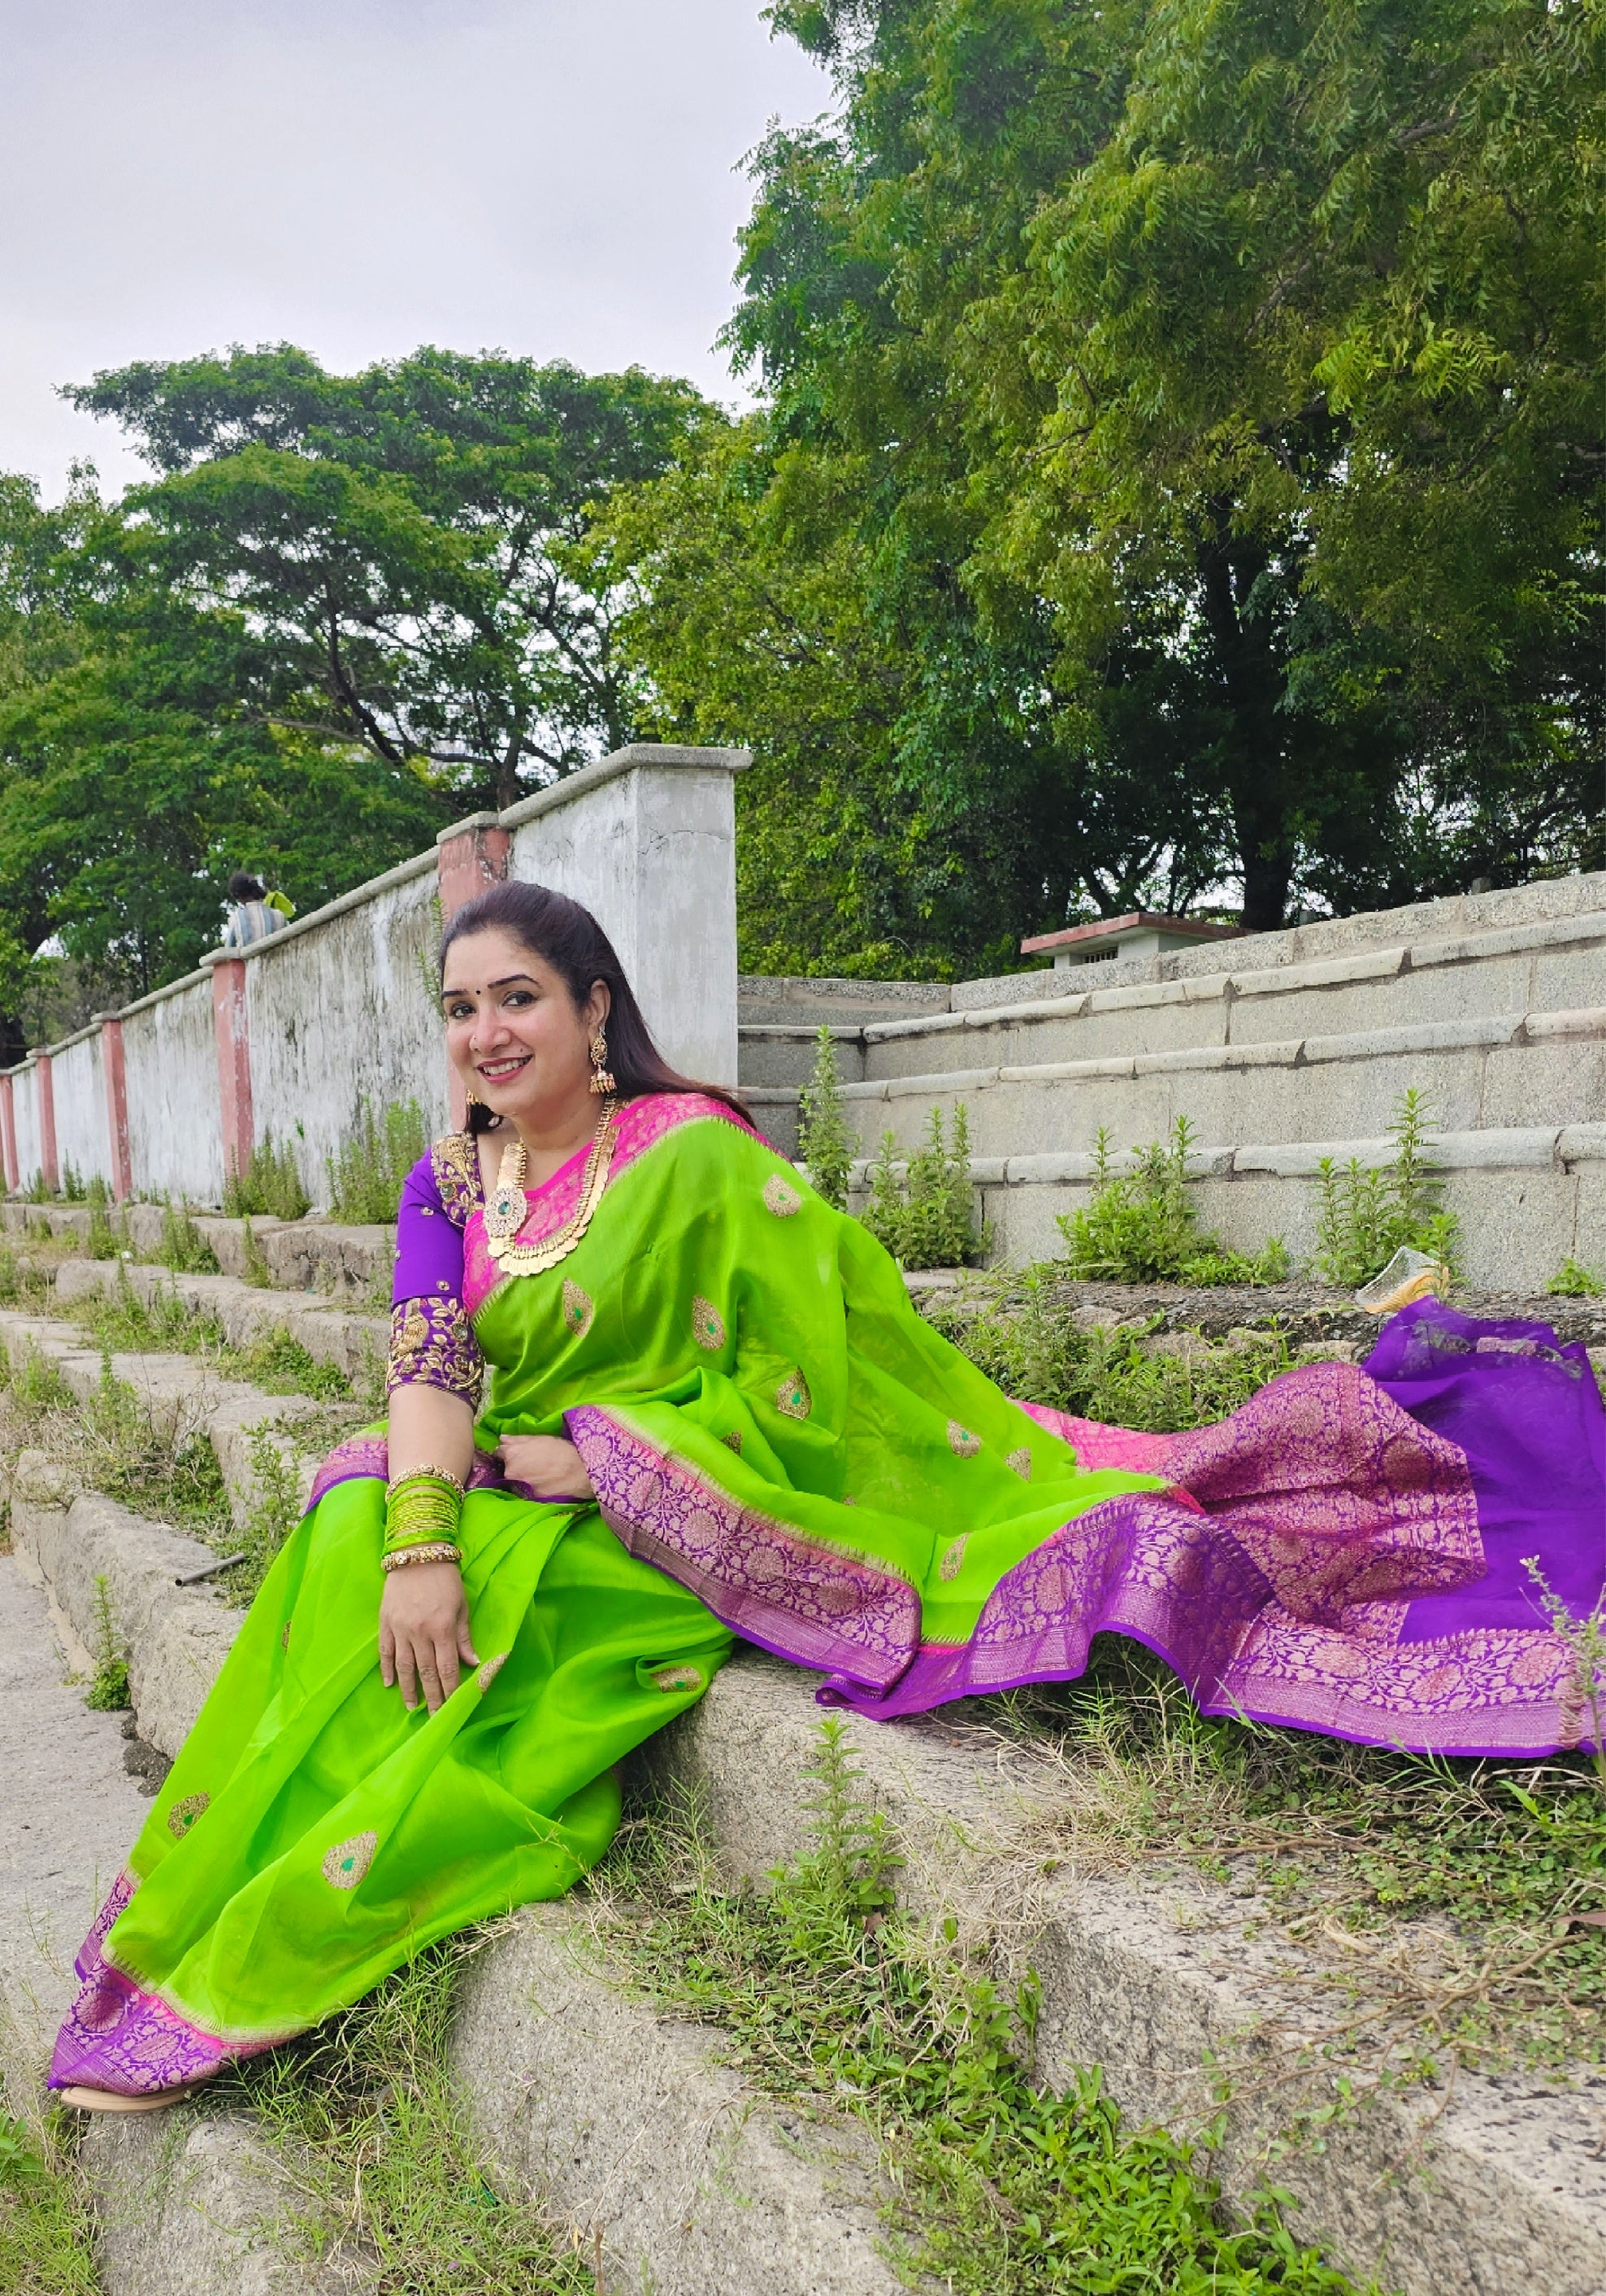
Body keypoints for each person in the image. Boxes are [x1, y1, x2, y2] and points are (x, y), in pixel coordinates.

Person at [50, 882, 1605, 2109]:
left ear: (595, 1009)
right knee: (343, 1526)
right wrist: (422, 1538)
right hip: (499, 1478)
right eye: (460, 1009)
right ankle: (195, 1928)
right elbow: (428, 1357)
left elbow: (823, 1382)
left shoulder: (699, 1159)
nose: (485, 1033)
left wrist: (604, 1460)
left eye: (516, 997)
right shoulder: (446, 1180)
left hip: (682, 1505)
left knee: (546, 1611)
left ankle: (304, 1927)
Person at [222, 870, 290, 948]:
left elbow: (229, 950)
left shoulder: (236, 918)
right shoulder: (279, 916)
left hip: (249, 960)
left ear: (238, 897)